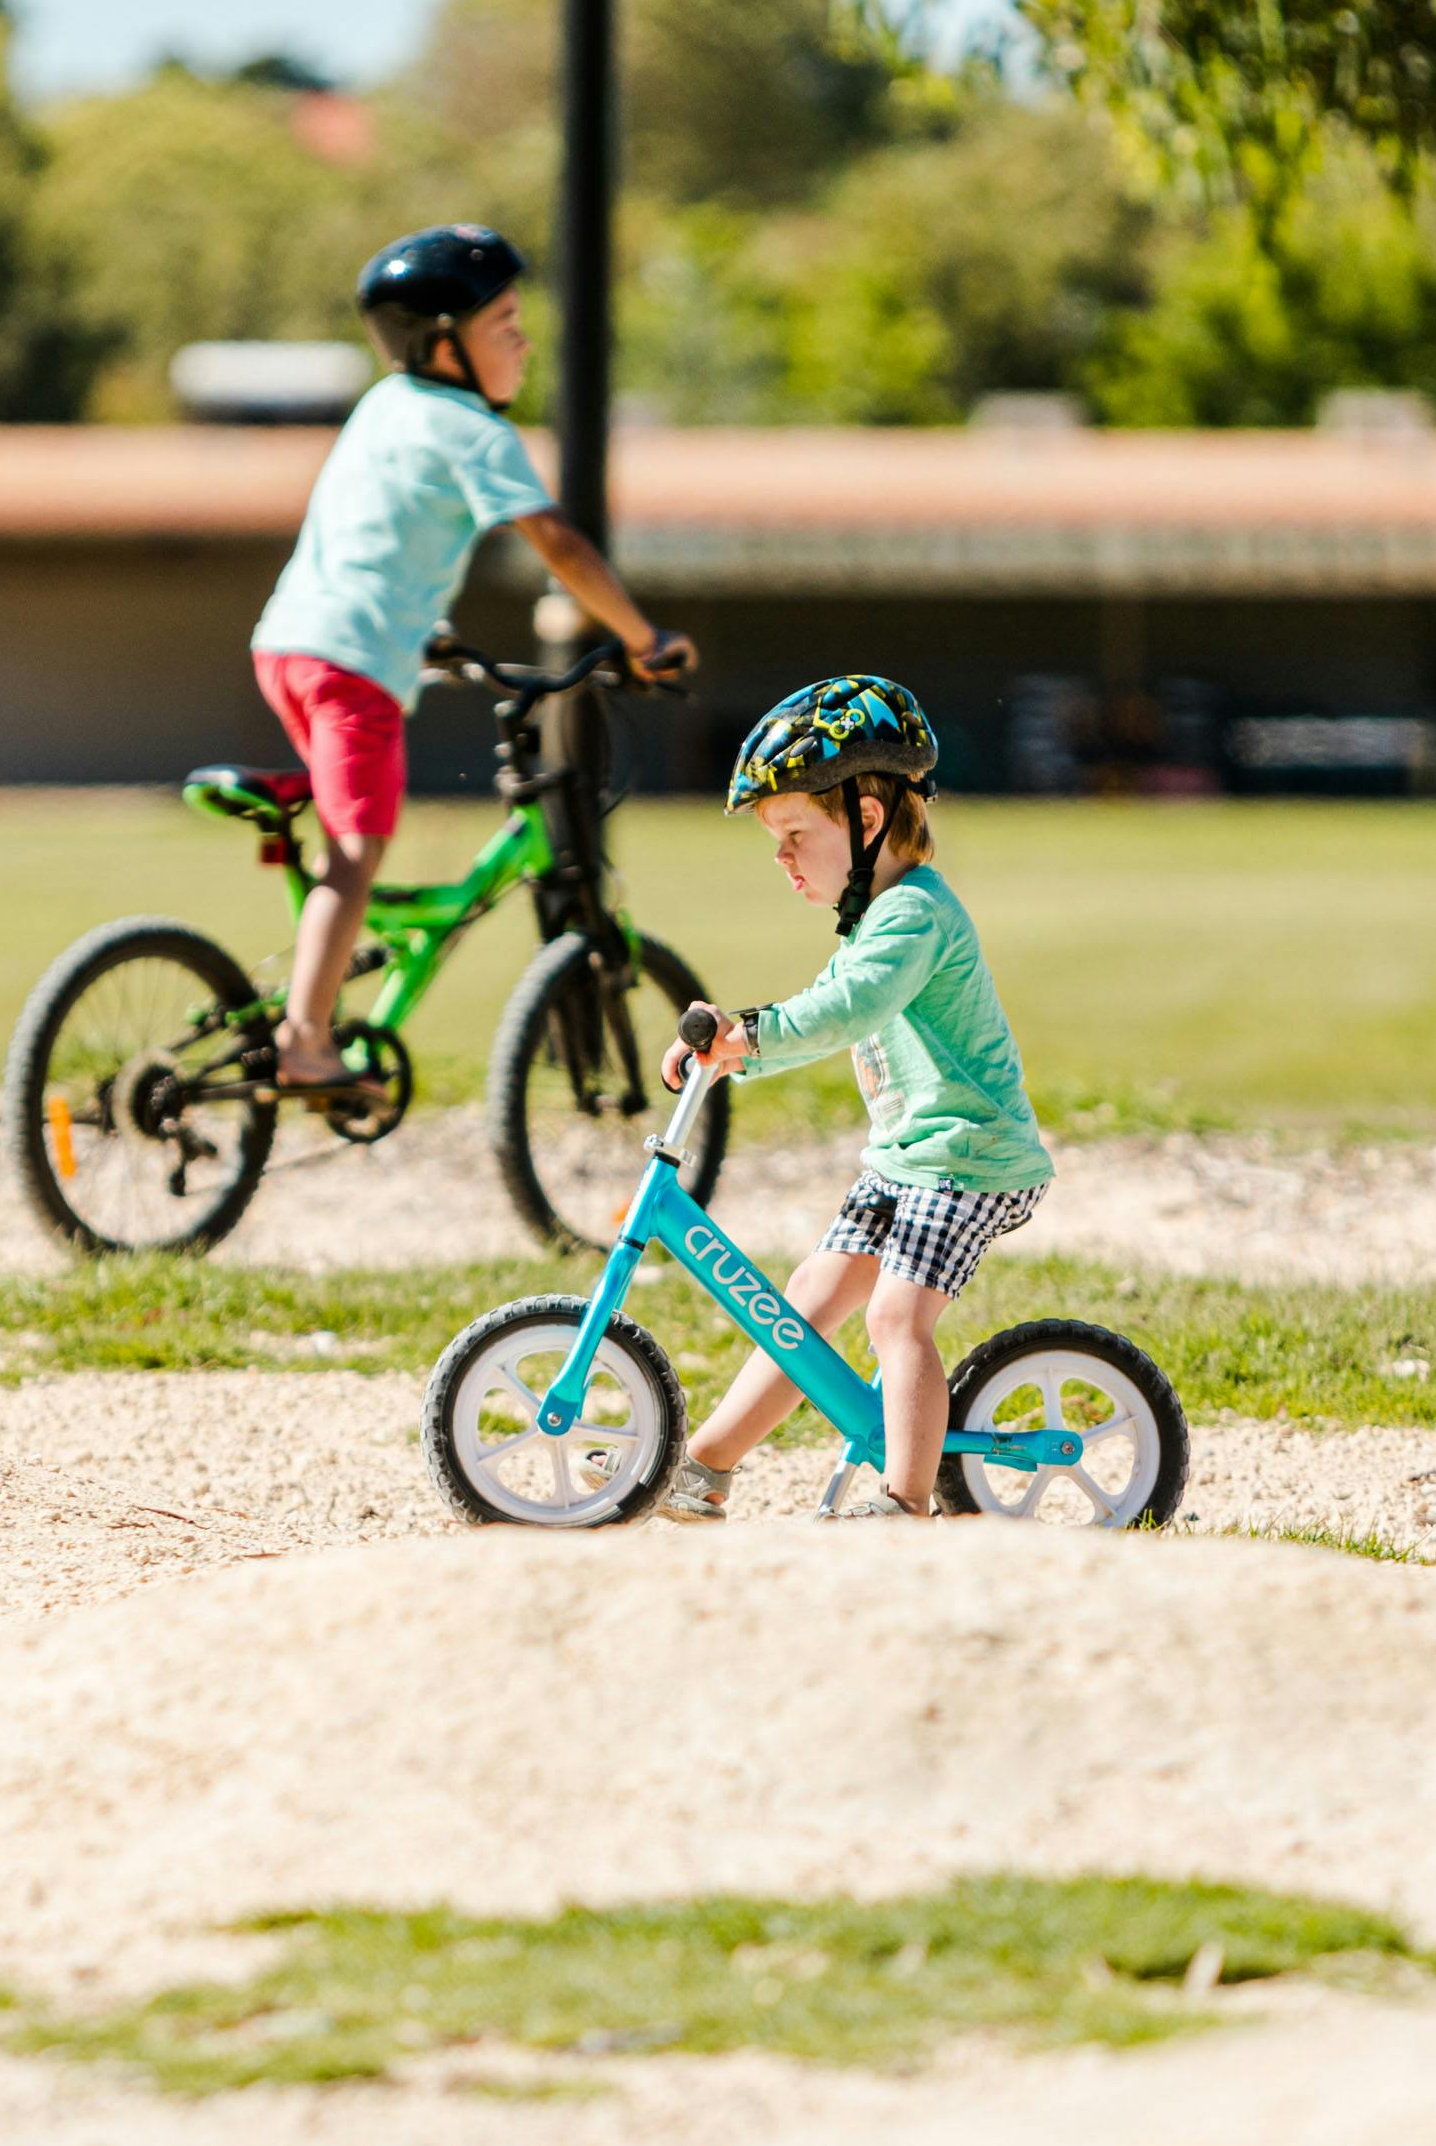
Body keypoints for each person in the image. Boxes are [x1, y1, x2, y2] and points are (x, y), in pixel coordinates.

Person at [247, 223, 691, 1100]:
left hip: (289, 643)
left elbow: (384, 531)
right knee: (357, 845)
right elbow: (558, 543)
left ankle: (318, 996)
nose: (524, 339)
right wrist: (644, 638)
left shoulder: (384, 405)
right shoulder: (472, 430)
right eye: (506, 322)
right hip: (352, 663)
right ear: (445, 340)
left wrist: (427, 634)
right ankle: (304, 1038)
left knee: (350, 838)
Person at [654, 676, 1051, 1522]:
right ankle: (704, 1465)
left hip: (967, 1155)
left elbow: (844, 1010)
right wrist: (736, 1056)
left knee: (895, 1317)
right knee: (807, 1299)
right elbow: (829, 1012)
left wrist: (745, 1034)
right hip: (909, 1158)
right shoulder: (871, 916)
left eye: (797, 832)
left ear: (867, 821)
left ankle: (904, 1498)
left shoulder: (912, 916)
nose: (782, 858)